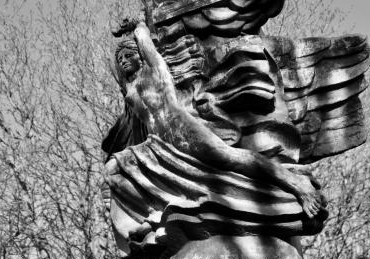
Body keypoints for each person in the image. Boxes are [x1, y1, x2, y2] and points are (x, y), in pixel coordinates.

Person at [105, 22, 324, 219]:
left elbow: (145, 43)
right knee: (112, 170)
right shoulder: (130, 87)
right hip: (156, 140)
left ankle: (296, 183)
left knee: (230, 158)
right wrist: (119, 51)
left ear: (139, 54)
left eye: (127, 55)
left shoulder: (154, 70)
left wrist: (137, 27)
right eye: (120, 59)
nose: (123, 61)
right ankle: (152, 214)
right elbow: (119, 73)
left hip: (179, 127)